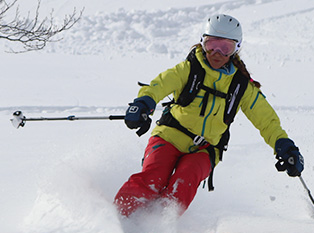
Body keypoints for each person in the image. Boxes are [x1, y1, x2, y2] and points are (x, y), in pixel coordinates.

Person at [114, 14, 304, 218]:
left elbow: (266, 120)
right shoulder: (189, 69)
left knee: (184, 180)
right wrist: (143, 104)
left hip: (205, 149)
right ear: (203, 42)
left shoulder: (241, 86)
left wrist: (284, 145)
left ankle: (159, 225)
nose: (217, 52)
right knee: (154, 176)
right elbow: (159, 85)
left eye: (226, 48)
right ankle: (118, 217)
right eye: (211, 44)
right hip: (169, 136)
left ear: (236, 49)